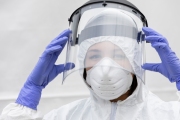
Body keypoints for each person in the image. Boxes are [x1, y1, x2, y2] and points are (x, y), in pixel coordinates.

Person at [1, 0, 180, 120]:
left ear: (135, 61)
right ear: (82, 64)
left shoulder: (168, 114)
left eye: (118, 55)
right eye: (95, 56)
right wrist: (27, 99)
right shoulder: (66, 116)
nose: (106, 67)